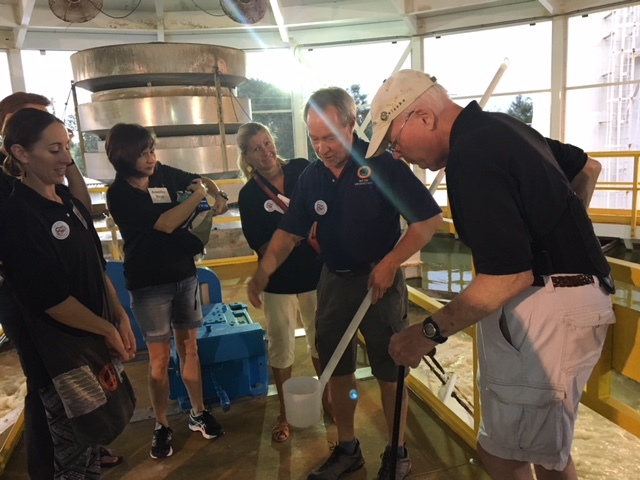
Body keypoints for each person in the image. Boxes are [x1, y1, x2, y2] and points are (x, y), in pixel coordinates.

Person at [367, 70, 615, 480]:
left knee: (512, 453)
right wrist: (560, 232)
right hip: (564, 294)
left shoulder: (471, 155)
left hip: (547, 302)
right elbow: (586, 167)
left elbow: (507, 276)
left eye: (395, 142)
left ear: (424, 117)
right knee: (530, 450)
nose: (398, 154)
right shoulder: (501, 126)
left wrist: (424, 333)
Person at [247, 87, 443, 480]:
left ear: (352, 125)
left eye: (329, 137)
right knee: (338, 368)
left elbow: (427, 221)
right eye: (314, 138)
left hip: (380, 282)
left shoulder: (382, 166)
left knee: (390, 369)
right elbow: (289, 233)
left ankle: (396, 451)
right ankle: (348, 447)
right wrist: (264, 271)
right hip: (334, 281)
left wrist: (390, 263)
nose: (321, 147)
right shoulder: (312, 178)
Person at [0, 107, 136, 478]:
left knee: (95, 436)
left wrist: (119, 314)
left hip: (92, 341)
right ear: (21, 154)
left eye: (67, 147)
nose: (66, 159)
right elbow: (50, 301)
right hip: (63, 357)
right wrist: (106, 329)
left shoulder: (69, 202)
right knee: (73, 451)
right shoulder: (18, 216)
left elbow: (96, 265)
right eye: (54, 149)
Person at [105, 123, 229, 459]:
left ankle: (198, 412)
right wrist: (199, 197)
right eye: (142, 153)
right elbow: (166, 223)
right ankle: (161, 424)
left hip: (184, 276)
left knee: (190, 348)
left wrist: (215, 193)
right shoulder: (118, 194)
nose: (151, 158)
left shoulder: (161, 173)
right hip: (149, 285)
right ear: (123, 157)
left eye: (151, 150)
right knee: (159, 360)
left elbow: (198, 179)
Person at [237, 122, 328, 442]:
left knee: (321, 338)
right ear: (247, 157)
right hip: (278, 280)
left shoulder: (303, 169)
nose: (266, 152)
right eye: (256, 149)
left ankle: (327, 396)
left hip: (317, 272)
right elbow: (263, 246)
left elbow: (326, 207)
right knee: (280, 344)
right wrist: (299, 233)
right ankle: (285, 412)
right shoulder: (249, 195)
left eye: (267, 142)